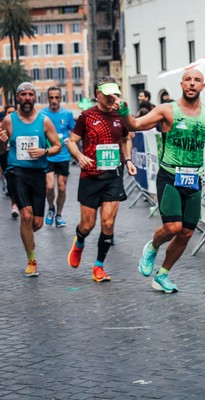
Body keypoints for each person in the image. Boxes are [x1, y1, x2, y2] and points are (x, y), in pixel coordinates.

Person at [119, 69, 205, 293]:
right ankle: (152, 247)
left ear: (203, 86)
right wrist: (124, 111)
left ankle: (162, 274)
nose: (192, 84)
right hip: (170, 176)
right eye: (188, 80)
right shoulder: (166, 110)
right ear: (181, 84)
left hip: (193, 180)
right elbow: (134, 125)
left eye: (197, 81)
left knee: (186, 233)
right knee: (173, 227)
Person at [66, 77, 137, 283]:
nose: (110, 98)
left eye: (114, 93)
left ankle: (99, 266)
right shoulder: (86, 116)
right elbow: (71, 141)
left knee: (108, 223)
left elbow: (125, 138)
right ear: (98, 93)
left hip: (113, 176)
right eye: (106, 94)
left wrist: (129, 159)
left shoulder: (120, 115)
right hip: (90, 177)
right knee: (88, 225)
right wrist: (79, 156)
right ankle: (79, 242)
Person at [0, 82, 61, 276]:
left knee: (37, 223)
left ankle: (27, 234)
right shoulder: (8, 121)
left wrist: (44, 151)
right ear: (17, 97)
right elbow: (1, 151)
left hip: (38, 173)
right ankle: (32, 260)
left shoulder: (44, 121)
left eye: (30, 94)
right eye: (23, 94)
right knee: (25, 215)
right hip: (16, 172)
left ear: (35, 97)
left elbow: (57, 146)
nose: (27, 98)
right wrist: (1, 143)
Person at [41, 87, 76, 228]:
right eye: (51, 97)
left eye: (57, 97)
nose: (54, 100)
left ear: (61, 98)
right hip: (48, 155)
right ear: (47, 98)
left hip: (63, 156)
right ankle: (51, 208)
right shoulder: (42, 114)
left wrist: (71, 141)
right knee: (49, 186)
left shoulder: (67, 114)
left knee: (61, 187)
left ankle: (59, 215)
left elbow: (75, 132)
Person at [0, 104, 19, 218]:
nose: (11, 114)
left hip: (17, 157)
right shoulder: (2, 127)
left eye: (13, 112)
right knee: (10, 180)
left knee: (18, 179)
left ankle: (17, 203)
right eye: (9, 112)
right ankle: (14, 203)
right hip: (5, 156)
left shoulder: (21, 125)